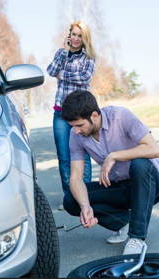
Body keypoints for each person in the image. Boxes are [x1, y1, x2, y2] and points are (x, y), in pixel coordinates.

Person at [61, 90, 159, 255]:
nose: (76, 130)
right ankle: (123, 222)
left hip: (151, 183)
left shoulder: (120, 116)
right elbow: (76, 177)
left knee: (140, 164)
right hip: (121, 186)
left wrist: (114, 156)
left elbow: (154, 149)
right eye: (73, 126)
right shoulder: (75, 135)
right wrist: (85, 206)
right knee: (71, 200)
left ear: (94, 115)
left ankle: (136, 238)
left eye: (79, 125)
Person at [47, 21, 96, 201]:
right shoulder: (61, 53)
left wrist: (63, 73)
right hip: (60, 113)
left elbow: (84, 78)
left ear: (85, 38)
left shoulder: (89, 57)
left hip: (80, 114)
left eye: (79, 35)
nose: (76, 39)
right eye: (73, 34)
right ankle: (70, 197)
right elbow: (51, 70)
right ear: (69, 36)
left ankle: (87, 194)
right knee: (64, 156)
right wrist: (65, 54)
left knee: (83, 154)